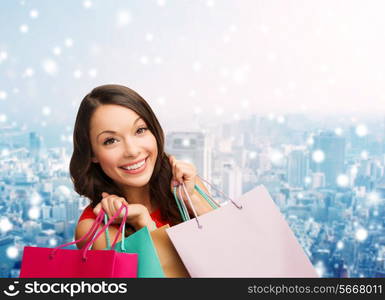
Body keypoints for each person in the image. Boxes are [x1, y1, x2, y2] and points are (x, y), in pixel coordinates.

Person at [70, 84, 213, 250]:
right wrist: (143, 223)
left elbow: (231, 247)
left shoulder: (188, 187)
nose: (132, 150)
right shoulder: (94, 229)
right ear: (92, 154)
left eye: (140, 130)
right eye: (111, 141)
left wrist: (192, 199)